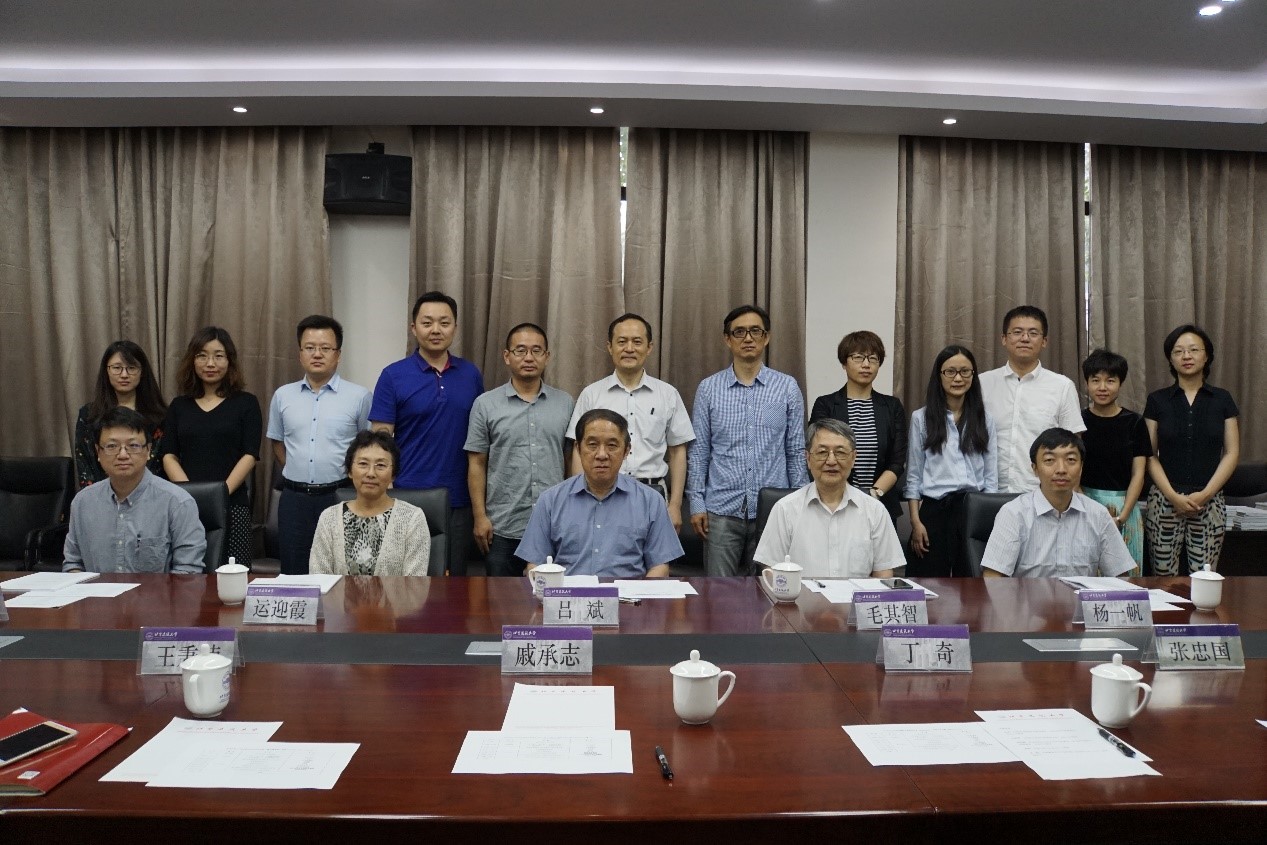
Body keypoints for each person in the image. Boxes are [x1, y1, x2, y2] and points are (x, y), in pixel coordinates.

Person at [687, 305, 809, 577]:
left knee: (771, 592)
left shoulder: (786, 387)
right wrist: (696, 503)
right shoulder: (709, 389)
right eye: (739, 332)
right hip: (721, 511)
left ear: (767, 337)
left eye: (756, 331)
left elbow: (795, 450)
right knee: (720, 594)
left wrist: (800, 503)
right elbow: (699, 452)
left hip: (774, 512)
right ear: (727, 339)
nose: (748, 338)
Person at [371, 292, 484, 575]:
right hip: (406, 495)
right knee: (404, 581)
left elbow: (481, 439)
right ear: (414, 328)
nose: (436, 330)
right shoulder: (393, 375)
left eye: (444, 323)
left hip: (458, 499)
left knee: (454, 581)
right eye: (427, 322)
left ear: (455, 327)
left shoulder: (471, 374)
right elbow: (380, 441)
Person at [517, 409, 683, 579]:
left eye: (612, 445)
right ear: (578, 448)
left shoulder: (651, 501)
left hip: (629, 595)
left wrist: (641, 596)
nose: (602, 455)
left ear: (626, 451)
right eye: (592, 445)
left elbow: (659, 567)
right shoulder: (550, 501)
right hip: (567, 594)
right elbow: (535, 565)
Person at [267, 315, 373, 575]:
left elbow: (366, 448)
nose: (317, 354)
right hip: (294, 500)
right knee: (294, 573)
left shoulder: (359, 396)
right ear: (300, 353)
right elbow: (278, 443)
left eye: (325, 348)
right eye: (310, 348)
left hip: (341, 496)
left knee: (344, 572)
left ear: (338, 354)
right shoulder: (282, 396)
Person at [567, 313, 694, 529]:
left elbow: (678, 451)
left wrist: (675, 505)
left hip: (652, 495)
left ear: (649, 347)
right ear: (610, 347)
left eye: (637, 342)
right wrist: (582, 500)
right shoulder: (592, 394)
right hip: (601, 495)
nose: (629, 348)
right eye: (622, 342)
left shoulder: (667, 394)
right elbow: (579, 450)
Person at [466, 323, 574, 576]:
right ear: (507, 356)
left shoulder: (566, 403)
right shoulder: (485, 404)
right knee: (500, 598)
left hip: (554, 524)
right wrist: (480, 517)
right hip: (502, 526)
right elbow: (476, 463)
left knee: (551, 597)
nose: (529, 357)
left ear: (547, 357)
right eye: (520, 350)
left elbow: (571, 460)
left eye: (536, 351)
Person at [1144, 324, 1240, 575]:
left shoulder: (1222, 399)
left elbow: (1231, 453)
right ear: (1170, 359)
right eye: (1178, 351)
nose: (1186, 356)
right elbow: (1149, 455)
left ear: (1206, 356)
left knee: (1204, 577)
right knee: (1162, 577)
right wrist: (1173, 496)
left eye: (1194, 350)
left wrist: (1206, 494)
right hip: (1164, 500)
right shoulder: (1157, 400)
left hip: (1209, 500)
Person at [754, 418, 903, 579]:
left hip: (855, 596)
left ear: (853, 458)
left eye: (840, 452)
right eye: (822, 452)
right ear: (808, 458)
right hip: (801, 596)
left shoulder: (875, 511)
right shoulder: (785, 509)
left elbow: (883, 574)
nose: (831, 461)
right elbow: (771, 572)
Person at [162, 326, 262, 565]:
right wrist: (191, 495)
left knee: (235, 576)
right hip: (185, 506)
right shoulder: (179, 406)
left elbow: (249, 454)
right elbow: (168, 455)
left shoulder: (246, 403)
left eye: (218, 356)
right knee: (186, 573)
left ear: (229, 361)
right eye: (202, 355)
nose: (210, 363)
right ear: (192, 360)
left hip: (232, 505)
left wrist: (219, 495)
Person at [64, 407, 206, 574]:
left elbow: (188, 572)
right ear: (98, 452)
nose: (123, 455)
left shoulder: (178, 503)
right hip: (95, 592)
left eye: (133, 445)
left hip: (159, 592)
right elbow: (73, 564)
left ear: (148, 450)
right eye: (112, 446)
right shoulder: (82, 502)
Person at [983, 429, 1135, 578]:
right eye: (1049, 460)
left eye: (1071, 460)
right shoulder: (1013, 514)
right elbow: (992, 577)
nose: (1061, 469)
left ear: (1081, 467)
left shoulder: (1098, 514)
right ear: (1035, 469)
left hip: (1079, 596)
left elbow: (1120, 576)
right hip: (1027, 596)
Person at [905, 345, 998, 577]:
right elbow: (914, 475)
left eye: (965, 371)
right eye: (950, 372)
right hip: (935, 510)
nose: (958, 378)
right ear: (939, 376)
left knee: (970, 583)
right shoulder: (921, 418)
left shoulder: (984, 419)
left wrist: (988, 520)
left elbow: (991, 476)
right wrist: (915, 522)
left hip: (972, 509)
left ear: (973, 376)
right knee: (928, 580)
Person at [979, 305, 1084, 493]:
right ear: (1004, 339)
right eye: (1017, 332)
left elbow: (1073, 449)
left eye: (1033, 333)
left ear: (1044, 341)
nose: (1025, 338)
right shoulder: (982, 384)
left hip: (1042, 495)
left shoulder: (1062, 386)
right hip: (987, 493)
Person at [809, 330, 907, 523]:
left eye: (873, 358)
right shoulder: (825, 404)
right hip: (834, 503)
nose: (866, 364)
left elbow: (897, 461)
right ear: (844, 363)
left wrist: (873, 495)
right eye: (858, 357)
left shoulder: (892, 406)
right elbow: (818, 454)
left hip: (880, 504)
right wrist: (846, 497)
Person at [310, 430, 430, 576]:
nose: (371, 473)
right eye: (363, 464)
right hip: (337, 593)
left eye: (380, 465)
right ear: (350, 471)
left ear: (393, 474)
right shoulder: (329, 518)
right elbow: (319, 580)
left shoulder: (412, 519)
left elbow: (415, 584)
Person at [1080, 349, 1152, 573]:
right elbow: (1072, 471)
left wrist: (1121, 517)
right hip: (1084, 505)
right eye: (1095, 380)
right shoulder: (1078, 421)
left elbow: (1139, 474)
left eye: (1110, 381)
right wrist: (1089, 510)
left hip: (1125, 508)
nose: (1102, 387)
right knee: (1087, 576)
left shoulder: (1135, 422)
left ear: (1120, 383)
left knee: (1125, 577)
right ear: (1087, 383)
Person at [74, 340, 167, 488]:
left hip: (150, 494)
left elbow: (159, 466)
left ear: (142, 372)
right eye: (117, 368)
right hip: (101, 495)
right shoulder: (89, 415)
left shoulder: (160, 416)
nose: (124, 374)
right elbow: (85, 465)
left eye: (131, 368)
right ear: (106, 371)